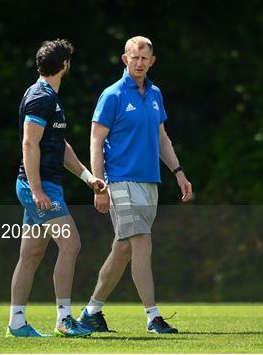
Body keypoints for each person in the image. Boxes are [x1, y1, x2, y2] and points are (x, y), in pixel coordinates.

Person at [78, 36, 193, 334]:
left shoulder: (155, 94)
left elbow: (161, 139)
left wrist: (178, 171)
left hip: (149, 182)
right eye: (134, 57)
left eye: (144, 58)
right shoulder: (113, 95)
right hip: (119, 181)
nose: (139, 62)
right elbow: (96, 140)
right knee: (141, 241)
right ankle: (153, 317)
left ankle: (92, 312)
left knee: (124, 249)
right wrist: (99, 185)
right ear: (124, 59)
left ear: (152, 61)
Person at [7, 39, 106, 338]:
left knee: (31, 255)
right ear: (64, 65)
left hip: (45, 186)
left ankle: (17, 323)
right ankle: (64, 319)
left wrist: (87, 177)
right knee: (71, 244)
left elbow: (58, 146)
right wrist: (37, 191)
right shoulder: (41, 97)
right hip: (39, 188)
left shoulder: (48, 96)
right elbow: (29, 142)